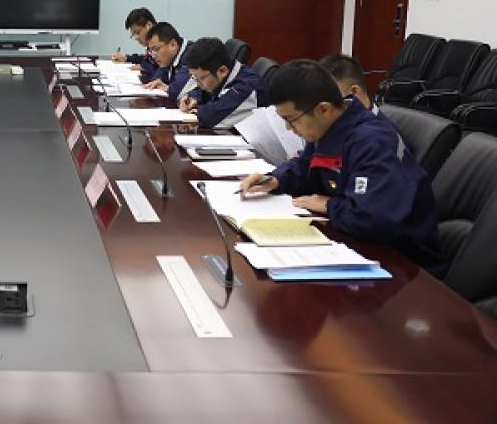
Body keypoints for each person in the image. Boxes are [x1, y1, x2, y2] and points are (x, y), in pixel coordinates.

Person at [240, 60, 441, 269]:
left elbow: (373, 218)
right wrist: (276, 179)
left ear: (324, 109)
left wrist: (329, 205)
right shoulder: (327, 127)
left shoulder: (372, 141)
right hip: (352, 242)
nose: (289, 129)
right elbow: (306, 166)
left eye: (291, 119)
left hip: (403, 261)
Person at [179, 37, 268, 128]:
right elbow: (205, 93)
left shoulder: (245, 87)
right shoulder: (224, 73)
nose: (197, 84)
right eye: (194, 78)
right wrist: (194, 98)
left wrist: (198, 112)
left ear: (222, 71)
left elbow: (210, 119)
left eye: (201, 78)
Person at [141, 22, 194, 101]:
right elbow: (162, 70)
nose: (153, 56)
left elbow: (177, 91)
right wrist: (157, 80)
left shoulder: (191, 55)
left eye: (156, 49)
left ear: (173, 44)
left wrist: (168, 88)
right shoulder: (170, 57)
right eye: (151, 51)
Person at [109, 7, 158, 76]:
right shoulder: (151, 46)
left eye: (137, 32)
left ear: (149, 25)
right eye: (133, 35)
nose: (136, 38)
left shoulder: (163, 43)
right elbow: (147, 59)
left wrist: (146, 67)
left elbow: (165, 72)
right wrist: (126, 58)